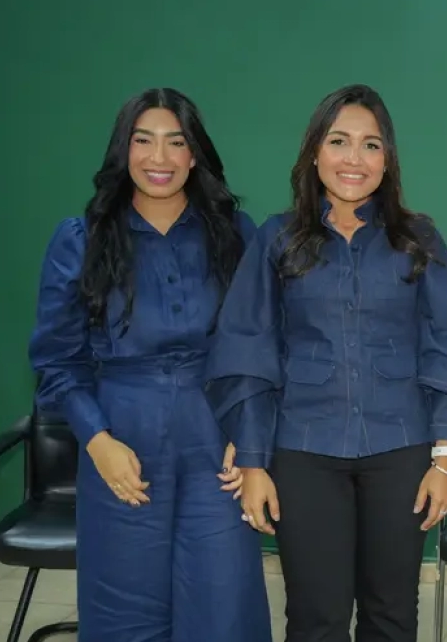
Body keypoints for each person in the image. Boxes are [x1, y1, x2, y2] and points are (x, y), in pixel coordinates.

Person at [204, 84, 447, 642]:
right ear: (314, 153)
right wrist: (254, 461)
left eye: (371, 145)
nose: (354, 159)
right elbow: (249, 351)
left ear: (388, 159)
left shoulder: (418, 239)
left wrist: (446, 458)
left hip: (402, 454)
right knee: (315, 617)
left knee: (392, 614)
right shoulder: (277, 239)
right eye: (339, 141)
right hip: (304, 453)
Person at [28, 88, 270, 642]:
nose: (158, 158)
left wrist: (250, 432)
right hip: (122, 443)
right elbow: (57, 360)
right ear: (123, 150)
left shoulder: (236, 235)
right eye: (143, 141)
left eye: (175, 142)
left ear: (194, 156)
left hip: (216, 446)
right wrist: (97, 442)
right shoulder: (81, 239)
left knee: (223, 607)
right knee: (126, 614)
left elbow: (260, 345)